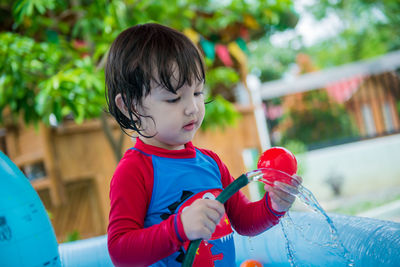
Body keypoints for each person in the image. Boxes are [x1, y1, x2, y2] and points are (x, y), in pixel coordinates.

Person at [105, 23, 302, 267]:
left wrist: (274, 205)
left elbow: (244, 221)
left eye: (197, 93)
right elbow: (120, 252)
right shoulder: (136, 170)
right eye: (174, 98)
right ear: (130, 106)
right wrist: (178, 228)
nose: (192, 107)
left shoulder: (210, 163)